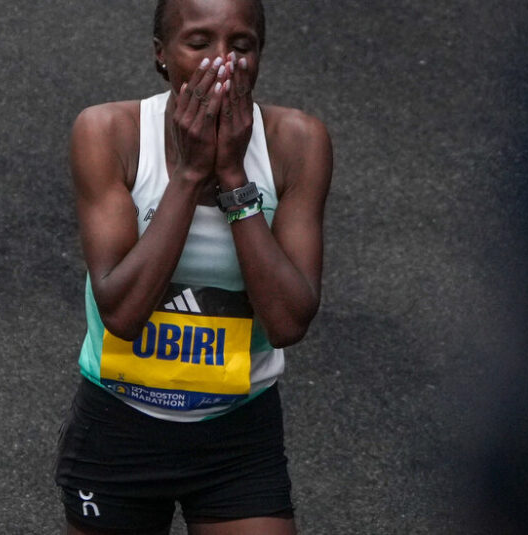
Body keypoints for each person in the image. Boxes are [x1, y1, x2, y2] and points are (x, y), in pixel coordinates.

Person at [56, 0, 331, 533]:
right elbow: (123, 312)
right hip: (120, 426)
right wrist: (188, 174)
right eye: (199, 44)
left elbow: (289, 321)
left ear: (260, 55)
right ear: (161, 55)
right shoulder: (109, 132)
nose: (222, 63)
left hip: (237, 434)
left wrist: (232, 176)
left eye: (242, 46)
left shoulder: (297, 142)